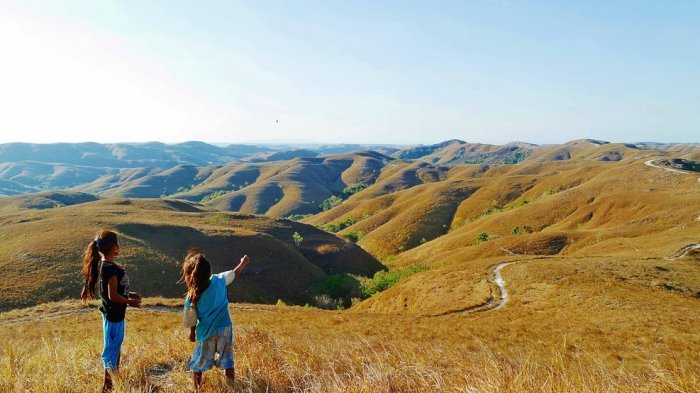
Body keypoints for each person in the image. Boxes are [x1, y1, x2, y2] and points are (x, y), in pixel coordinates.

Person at [80, 229, 142, 393]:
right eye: (118, 244)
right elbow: (113, 296)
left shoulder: (106, 265)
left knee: (115, 348)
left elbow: (115, 291)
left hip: (113, 315)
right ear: (114, 247)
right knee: (112, 351)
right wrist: (130, 302)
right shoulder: (110, 268)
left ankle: (114, 380)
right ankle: (107, 387)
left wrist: (130, 294)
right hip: (114, 316)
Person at [181, 248, 250, 391]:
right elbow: (234, 273)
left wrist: (192, 334)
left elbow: (191, 319)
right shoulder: (219, 280)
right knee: (228, 361)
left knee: (199, 362)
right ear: (209, 271)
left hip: (205, 332)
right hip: (225, 327)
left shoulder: (192, 295)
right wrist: (243, 263)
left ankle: (197, 388)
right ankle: (231, 387)